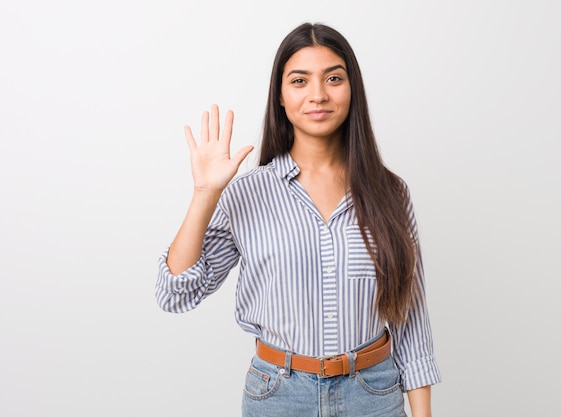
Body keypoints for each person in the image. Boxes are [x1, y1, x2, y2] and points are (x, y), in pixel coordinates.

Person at [156, 22, 441, 417]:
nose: (318, 95)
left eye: (334, 78)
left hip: (373, 394)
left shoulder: (390, 193)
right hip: (278, 396)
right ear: (281, 97)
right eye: (300, 81)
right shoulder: (247, 194)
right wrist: (205, 194)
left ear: (352, 89)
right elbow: (175, 293)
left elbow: (411, 320)